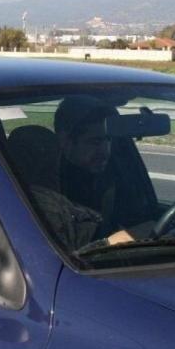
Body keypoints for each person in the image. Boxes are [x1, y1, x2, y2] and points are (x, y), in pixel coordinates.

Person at [51, 99, 136, 247]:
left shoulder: (112, 177)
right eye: (95, 142)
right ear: (65, 141)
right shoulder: (51, 189)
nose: (105, 151)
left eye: (108, 140)